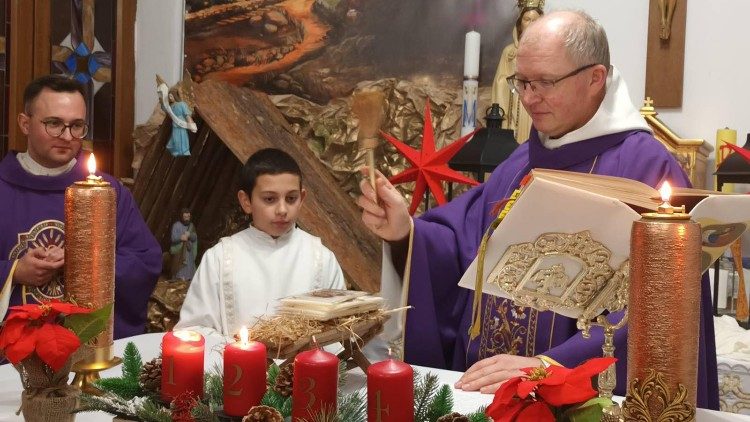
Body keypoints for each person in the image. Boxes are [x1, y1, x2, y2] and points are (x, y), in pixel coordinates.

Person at [358, 10, 719, 409]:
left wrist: (549, 366)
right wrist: (405, 231)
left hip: (580, 402)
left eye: (545, 82)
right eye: (522, 83)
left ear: (595, 78)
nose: (529, 98)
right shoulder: (520, 163)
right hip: (486, 395)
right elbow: (463, 241)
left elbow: (659, 309)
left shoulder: (646, 168)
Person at [0, 74, 162, 339]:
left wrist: (82, 262)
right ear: (25, 124)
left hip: (89, 345)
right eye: (54, 124)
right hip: (13, 353)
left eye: (77, 126)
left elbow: (145, 263)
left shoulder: (108, 192)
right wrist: (14, 272)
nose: (67, 136)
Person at [176, 148, 346, 336]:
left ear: (302, 198)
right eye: (270, 199)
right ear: (246, 201)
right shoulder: (220, 258)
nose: (282, 209)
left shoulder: (322, 258)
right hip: (236, 364)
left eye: (291, 198)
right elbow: (194, 330)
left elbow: (340, 331)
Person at [490, 1, 543, 142]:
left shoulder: (546, 52)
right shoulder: (509, 52)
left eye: (535, 21)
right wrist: (511, 83)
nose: (531, 24)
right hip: (513, 103)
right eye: (527, 20)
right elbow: (499, 81)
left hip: (533, 104)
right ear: (520, 24)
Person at [170, 208, 198, 280]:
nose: (187, 219)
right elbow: (173, 239)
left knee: (189, 266)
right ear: (181, 217)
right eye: (185, 217)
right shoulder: (176, 225)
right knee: (178, 266)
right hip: (179, 251)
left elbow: (195, 237)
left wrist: (190, 235)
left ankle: (189, 277)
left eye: (188, 217)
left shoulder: (191, 226)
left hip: (189, 251)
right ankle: (178, 277)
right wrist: (180, 238)